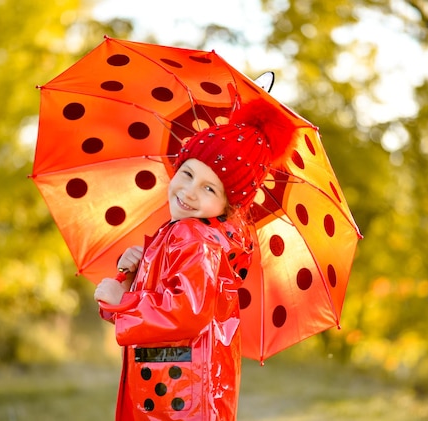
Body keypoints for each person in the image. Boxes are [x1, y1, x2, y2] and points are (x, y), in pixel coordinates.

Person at [94, 97, 296, 421]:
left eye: (209, 189)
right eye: (187, 173)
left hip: (173, 398)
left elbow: (187, 311)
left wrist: (125, 302)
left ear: (228, 205)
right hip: (182, 389)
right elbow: (171, 300)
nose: (189, 192)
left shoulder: (193, 237)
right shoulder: (200, 235)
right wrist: (138, 276)